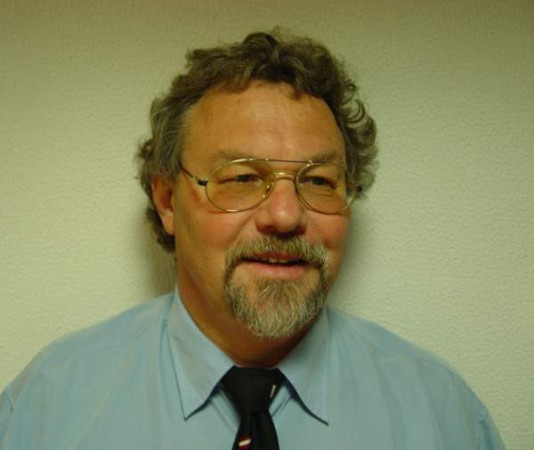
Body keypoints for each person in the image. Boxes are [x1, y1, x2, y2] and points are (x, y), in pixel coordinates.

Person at [0, 30, 504, 449]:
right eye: (241, 178)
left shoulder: (443, 417)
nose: (285, 216)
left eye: (318, 180)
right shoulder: (47, 411)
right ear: (168, 201)